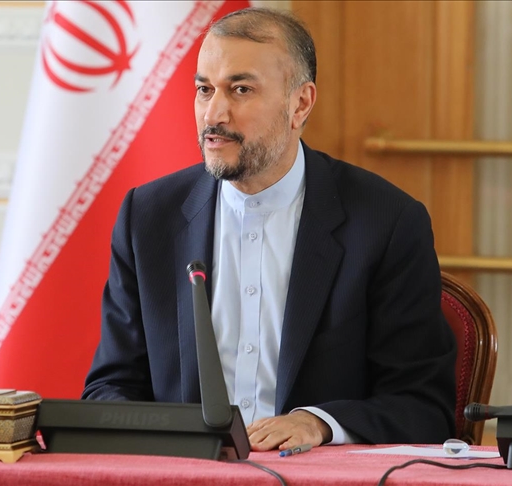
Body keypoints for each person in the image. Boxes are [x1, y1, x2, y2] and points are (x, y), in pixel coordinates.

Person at [82, 7, 456, 453]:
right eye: (204, 89)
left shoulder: (385, 223)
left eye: (240, 89)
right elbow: (110, 387)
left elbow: (423, 406)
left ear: (300, 104)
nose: (214, 114)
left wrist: (319, 424)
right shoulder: (148, 217)